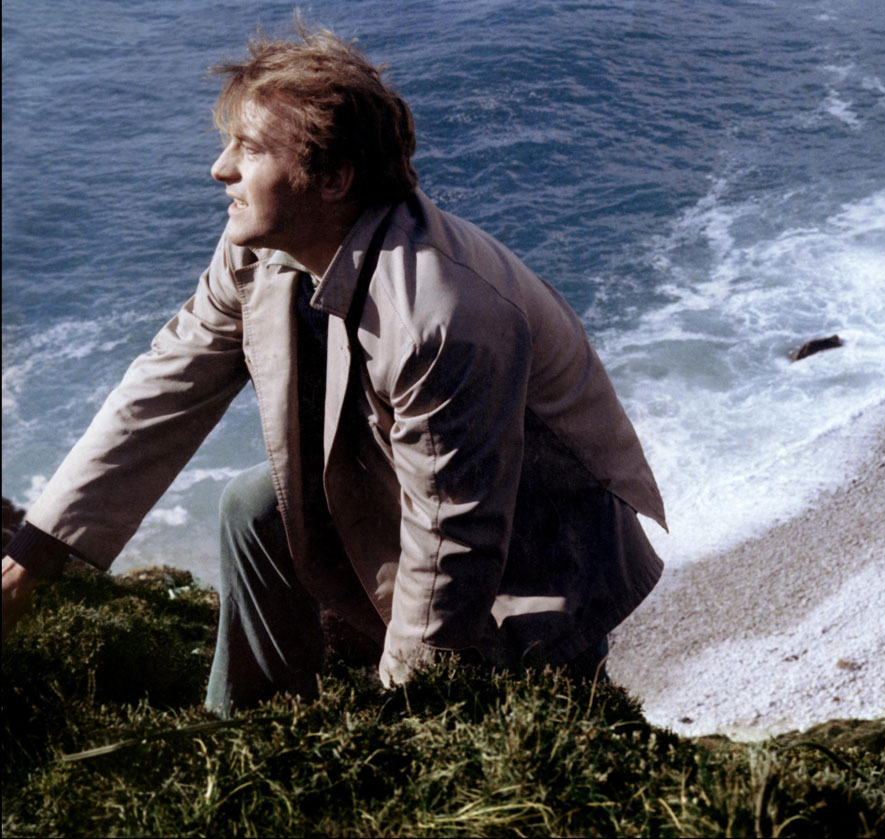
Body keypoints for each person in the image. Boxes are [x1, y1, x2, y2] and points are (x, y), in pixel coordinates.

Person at [1, 24, 666, 713]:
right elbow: (167, 383)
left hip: (539, 563)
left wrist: (393, 715)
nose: (220, 169)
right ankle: (251, 719)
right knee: (253, 509)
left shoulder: (439, 316)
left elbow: (453, 543)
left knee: (527, 715)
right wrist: (30, 558)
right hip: (416, 490)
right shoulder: (258, 247)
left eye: (250, 148)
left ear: (333, 178)